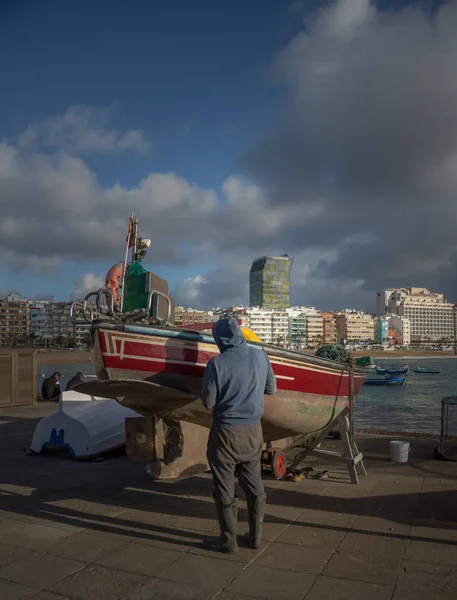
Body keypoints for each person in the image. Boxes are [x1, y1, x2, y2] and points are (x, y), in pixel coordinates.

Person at [201, 317, 277, 554]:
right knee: (254, 481)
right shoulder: (260, 355)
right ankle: (255, 538)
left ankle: (228, 541)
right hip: (254, 431)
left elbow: (208, 402)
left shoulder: (217, 363)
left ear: (219, 339)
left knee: (224, 484)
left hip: (226, 433)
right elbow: (271, 389)